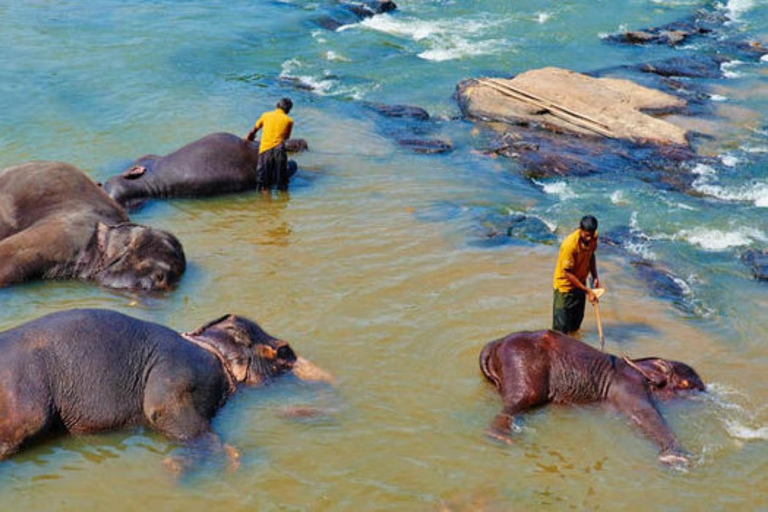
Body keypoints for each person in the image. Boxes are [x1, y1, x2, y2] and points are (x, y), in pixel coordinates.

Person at [552, 215, 601, 335]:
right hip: (565, 288)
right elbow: (567, 273)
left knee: (575, 325)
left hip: (580, 283)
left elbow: (591, 255)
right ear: (580, 230)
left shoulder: (593, 237)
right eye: (586, 235)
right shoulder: (569, 245)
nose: (589, 238)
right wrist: (588, 291)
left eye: (592, 234)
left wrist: (595, 276)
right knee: (560, 331)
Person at [245, 97, 294, 192]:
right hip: (279, 151)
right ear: (288, 110)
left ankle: (267, 204)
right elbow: (286, 138)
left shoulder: (266, 115)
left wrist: (249, 137)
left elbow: (254, 129)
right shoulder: (289, 121)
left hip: (265, 151)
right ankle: (283, 203)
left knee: (264, 184)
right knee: (282, 183)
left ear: (277, 105)